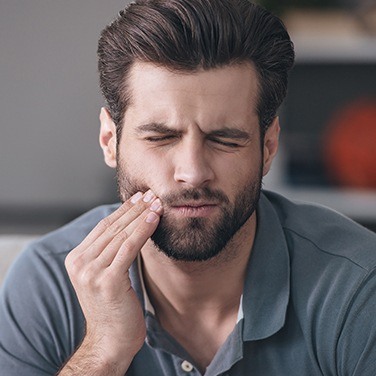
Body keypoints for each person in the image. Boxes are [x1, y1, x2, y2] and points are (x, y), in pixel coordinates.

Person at [0, 1, 375, 375]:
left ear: (268, 146)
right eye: (161, 137)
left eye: (225, 140)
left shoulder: (358, 287)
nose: (193, 173)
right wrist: (103, 352)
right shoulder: (47, 283)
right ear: (109, 139)